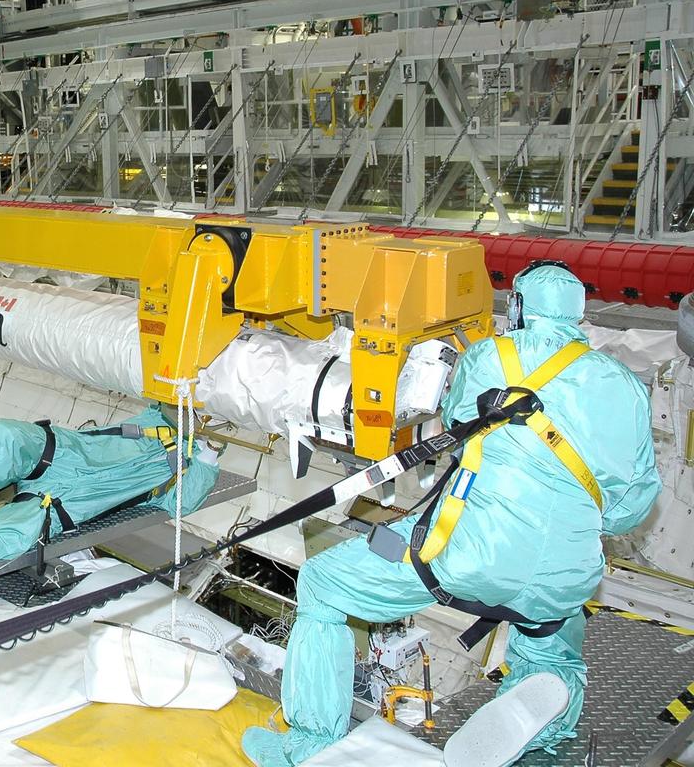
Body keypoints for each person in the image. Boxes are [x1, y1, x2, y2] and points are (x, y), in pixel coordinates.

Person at [242, 261, 659, 767]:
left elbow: (459, 423)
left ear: (521, 307)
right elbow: (631, 505)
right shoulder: (624, 386)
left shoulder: (490, 357)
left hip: (472, 556)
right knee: (551, 644)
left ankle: (307, 743)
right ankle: (544, 725)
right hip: (567, 575)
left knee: (325, 584)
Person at [0, 406, 221, 597]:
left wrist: (207, 460)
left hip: (64, 501)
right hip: (64, 453)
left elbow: (181, 503)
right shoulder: (158, 417)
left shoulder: (181, 473)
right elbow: (163, 397)